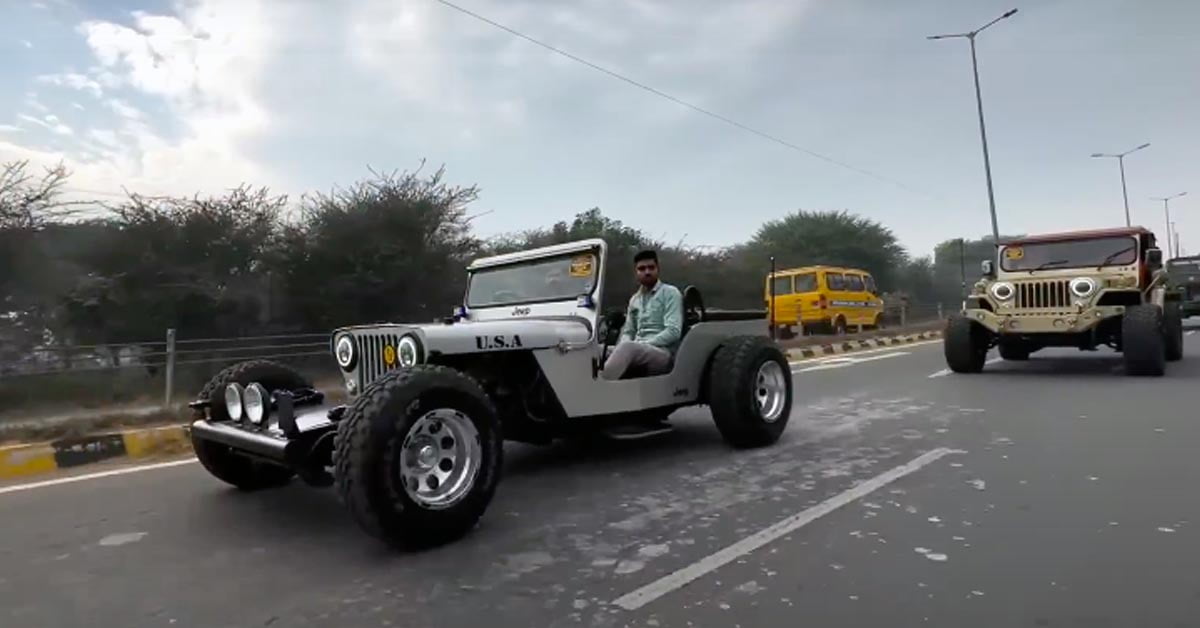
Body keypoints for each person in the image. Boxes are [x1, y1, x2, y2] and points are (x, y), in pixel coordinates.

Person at [602, 249, 683, 380]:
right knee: (595, 350)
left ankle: (599, 388)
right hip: (636, 348)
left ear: (658, 269)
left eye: (651, 268)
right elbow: (628, 331)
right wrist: (623, 345)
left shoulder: (670, 293)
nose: (647, 272)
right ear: (636, 272)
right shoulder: (634, 299)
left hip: (662, 353)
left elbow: (673, 331)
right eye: (642, 269)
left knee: (628, 348)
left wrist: (644, 344)